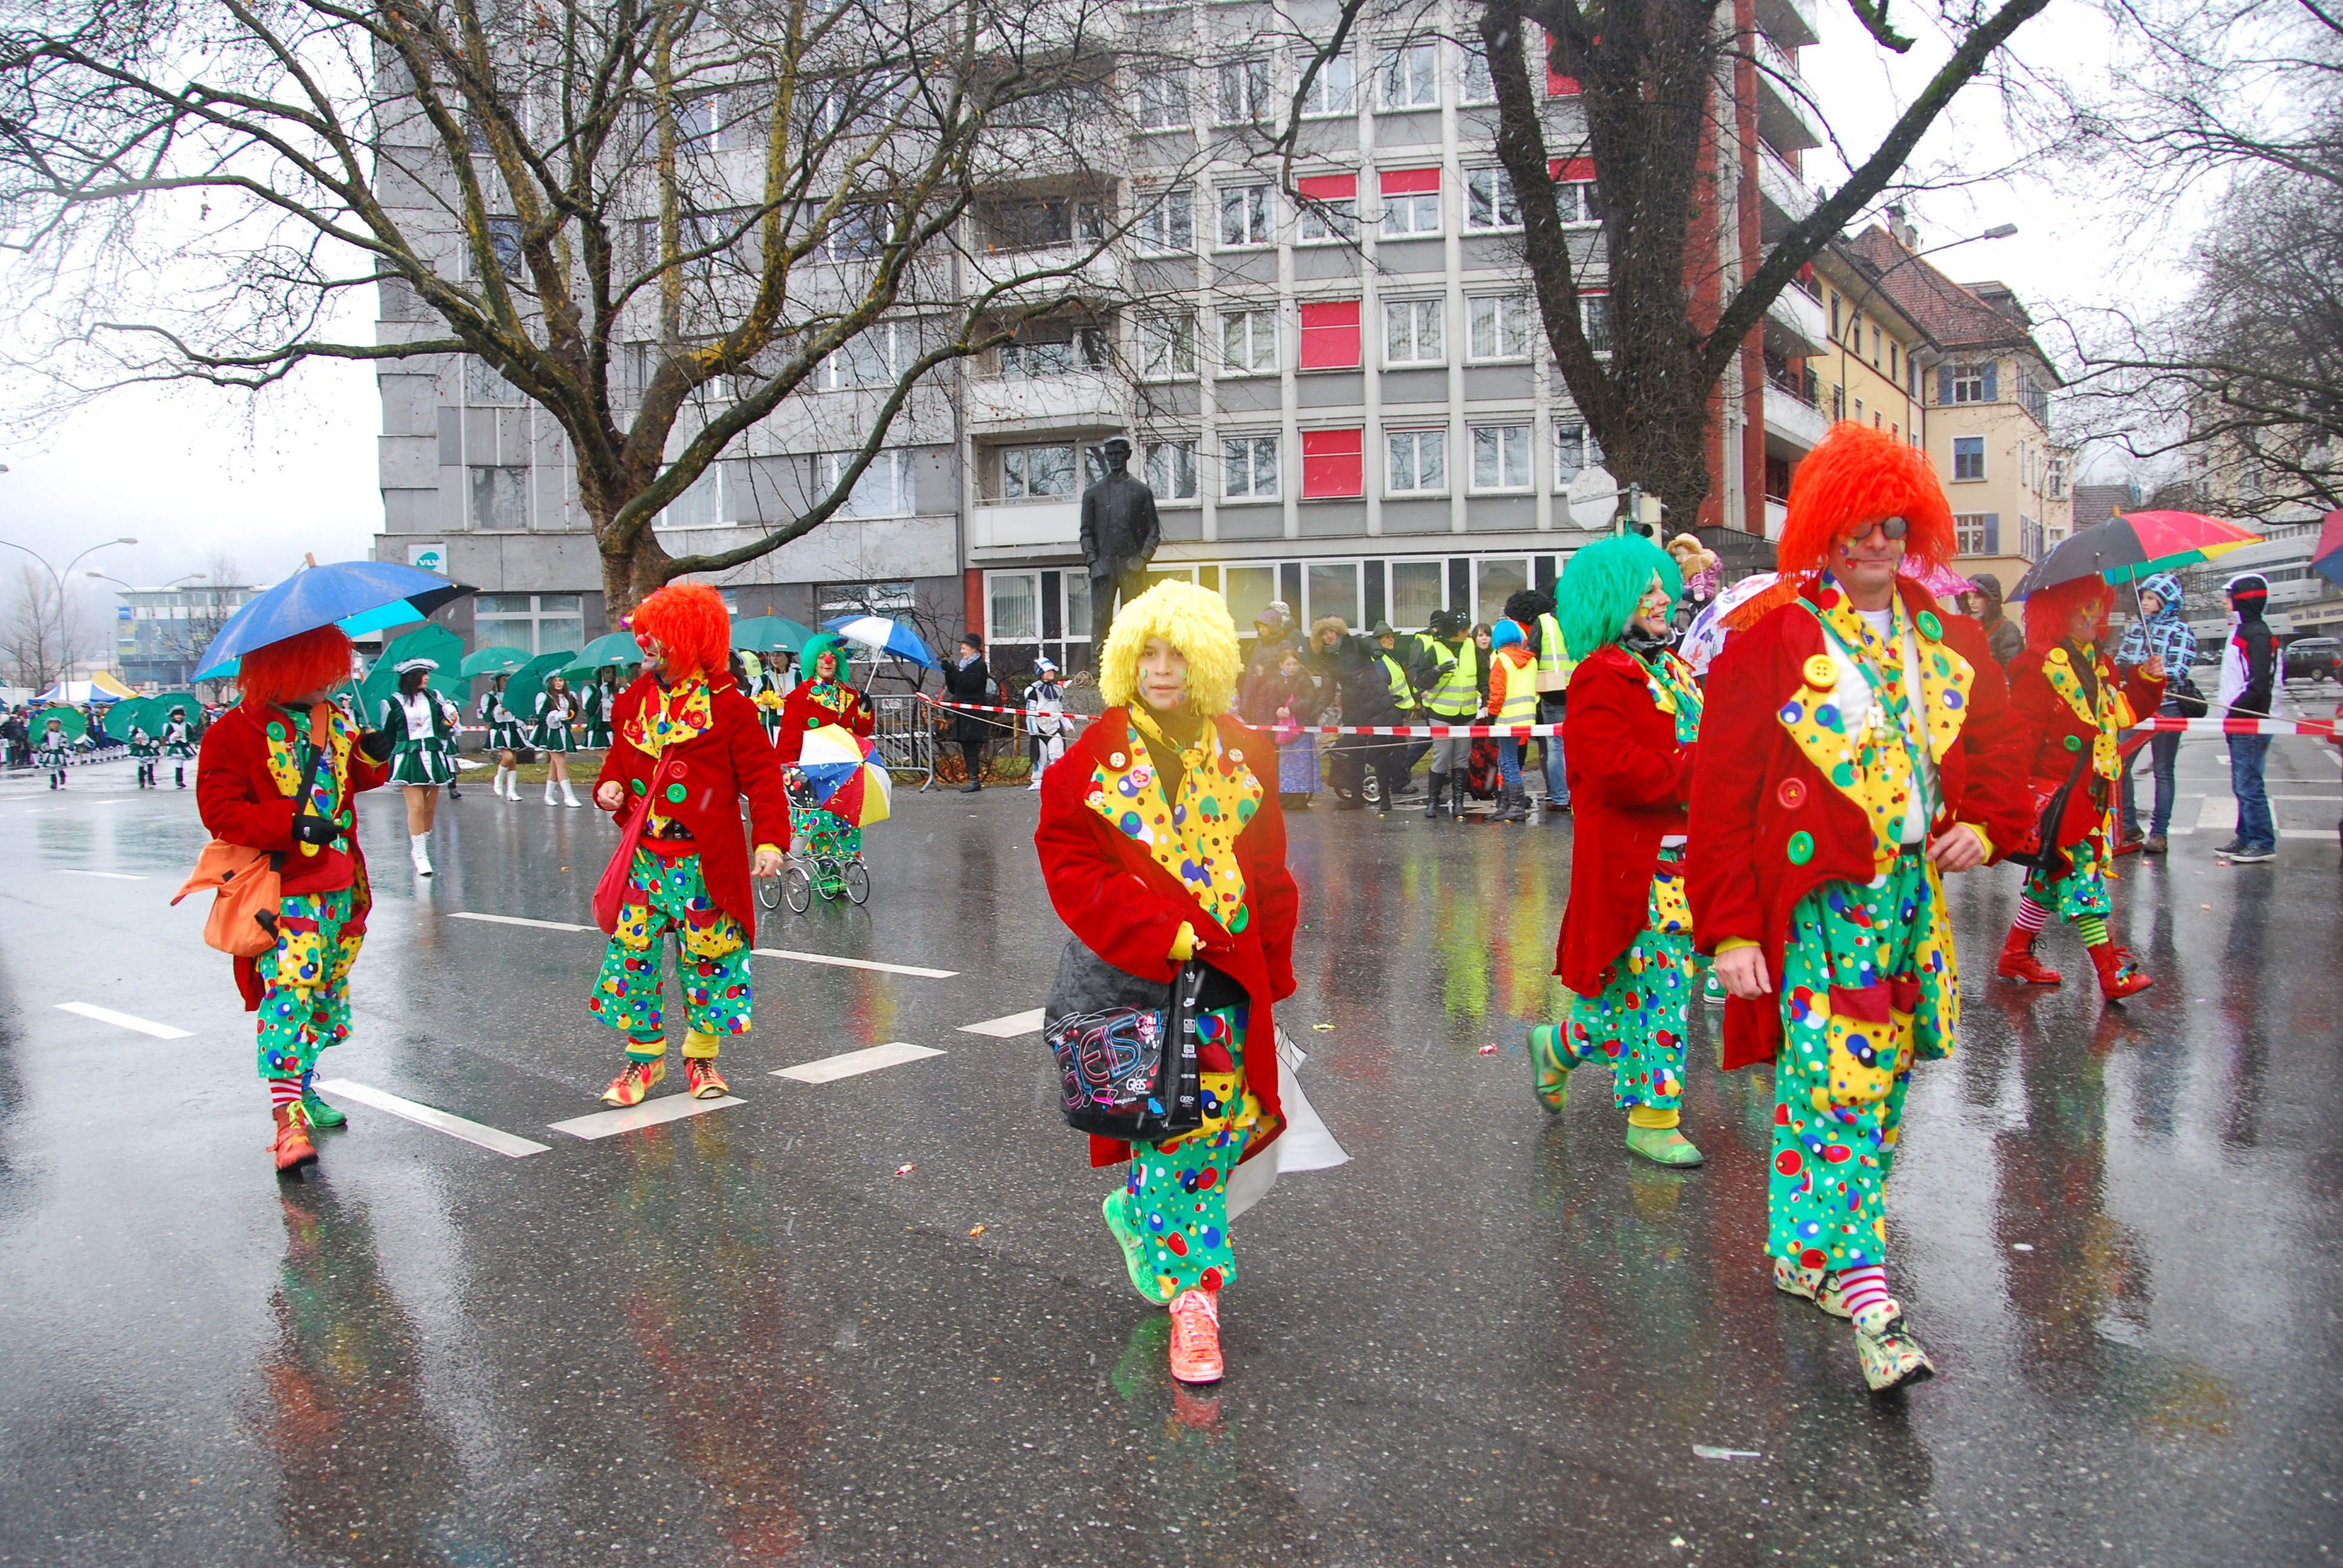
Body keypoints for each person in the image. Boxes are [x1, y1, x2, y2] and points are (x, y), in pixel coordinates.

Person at [1689, 422, 2027, 1393]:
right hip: (1818, 907)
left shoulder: (1949, 639)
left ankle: (1805, 1254)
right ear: (1824, 532)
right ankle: (1873, 1297)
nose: (1876, 542)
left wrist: (1987, 826)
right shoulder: (1773, 643)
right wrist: (1733, 929)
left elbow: (2002, 750)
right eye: (1856, 526)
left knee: (1876, 1086)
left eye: (1892, 525)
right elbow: (1721, 796)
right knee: (1844, 1087)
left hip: (1913, 903)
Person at [1034, 580, 1300, 1387]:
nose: (1160, 669)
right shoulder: (1093, 758)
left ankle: (1144, 1216)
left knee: (1214, 1132)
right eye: (1146, 653)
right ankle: (1194, 1299)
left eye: (1176, 654)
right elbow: (1068, 863)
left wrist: (1273, 971)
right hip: (1140, 982)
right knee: (1177, 1134)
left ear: (1207, 662)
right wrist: (1155, 929)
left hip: (1227, 978)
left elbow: (1268, 871)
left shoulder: (1246, 751)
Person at [1532, 535, 1708, 1161]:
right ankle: (1653, 1119)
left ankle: (1557, 1047)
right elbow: (1614, 770)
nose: (1662, 599)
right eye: (1646, 590)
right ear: (1612, 602)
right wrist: (1701, 772)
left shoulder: (1673, 669)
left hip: (1693, 861)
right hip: (1639, 864)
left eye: (1663, 586)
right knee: (1661, 989)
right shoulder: (1599, 675)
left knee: (1630, 995)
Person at [194, 624, 393, 1173]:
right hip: (285, 889)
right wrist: (291, 826)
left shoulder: (335, 718)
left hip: (341, 885)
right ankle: (287, 1123)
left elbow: (351, 782)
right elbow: (219, 812)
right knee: (290, 993)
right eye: (319, 669)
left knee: (322, 994)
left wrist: (372, 758)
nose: (332, 680)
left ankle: (303, 1090)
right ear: (284, 670)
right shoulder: (233, 732)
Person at [588, 583, 789, 1106]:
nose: (644, 643)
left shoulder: (729, 707)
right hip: (645, 858)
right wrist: (609, 788)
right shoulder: (635, 701)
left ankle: (701, 1057)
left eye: (657, 634)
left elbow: (764, 780)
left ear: (690, 640)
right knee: (633, 958)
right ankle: (644, 1058)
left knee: (709, 958)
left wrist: (769, 841)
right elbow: (618, 764)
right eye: (644, 633)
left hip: (704, 861)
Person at [1994, 577, 2164, 1001]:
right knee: (2081, 876)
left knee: (2049, 876)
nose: (2096, 615)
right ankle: (2110, 974)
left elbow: (2120, 714)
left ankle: (2015, 954)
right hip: (2061, 797)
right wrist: (2012, 794)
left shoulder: (2098, 663)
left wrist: (2147, 681)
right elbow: (2022, 736)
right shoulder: (2035, 667)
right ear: (2059, 614)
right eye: (2085, 607)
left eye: (2098, 606)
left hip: (2092, 790)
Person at [2114, 573, 2198, 854]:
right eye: (2144, 598)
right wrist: (2134, 672)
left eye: (2151, 598)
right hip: (2136, 706)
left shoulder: (2181, 631)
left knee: (2163, 770)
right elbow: (2121, 663)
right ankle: (2128, 824)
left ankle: (2160, 832)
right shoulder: (2137, 630)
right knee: (2120, 763)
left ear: (2166, 601)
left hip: (2168, 706)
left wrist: (2153, 674)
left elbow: (2179, 671)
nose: (2146, 603)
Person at [1309, 616, 1407, 812]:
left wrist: (1376, 650)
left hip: (1376, 702)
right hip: (1354, 708)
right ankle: (1356, 797)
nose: (1329, 636)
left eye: (1331, 631)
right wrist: (1319, 707)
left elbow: (1370, 643)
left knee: (1380, 753)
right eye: (1324, 634)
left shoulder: (1355, 641)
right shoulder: (1328, 659)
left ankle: (1385, 797)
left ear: (1338, 631)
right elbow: (1328, 689)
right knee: (1355, 753)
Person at [2214, 572, 2280, 864]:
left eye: (2229, 597)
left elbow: (2260, 684)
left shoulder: (2257, 634)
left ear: (2243, 599)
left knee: (2249, 784)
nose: (2224, 602)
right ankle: (2245, 836)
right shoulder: (2241, 631)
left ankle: (2262, 840)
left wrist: (2236, 710)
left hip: (2251, 721)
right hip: (2239, 721)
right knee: (2242, 784)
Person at [380, 656, 459, 875]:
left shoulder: (435, 698)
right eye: (423, 674)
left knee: (429, 808)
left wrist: (448, 722)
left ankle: (421, 847)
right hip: (409, 756)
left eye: (427, 674)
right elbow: (389, 734)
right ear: (411, 677)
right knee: (416, 807)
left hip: (433, 754)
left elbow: (440, 728)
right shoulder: (394, 702)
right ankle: (421, 854)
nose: (427, 678)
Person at [1504, 590, 1573, 817]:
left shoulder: (1544, 622)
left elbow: (1533, 653)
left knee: (1555, 746)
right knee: (1578, 744)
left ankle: (1560, 796)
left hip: (1552, 691)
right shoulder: (1582, 618)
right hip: (1580, 688)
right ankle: (1579, 795)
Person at [773, 633, 874, 765]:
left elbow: (862, 733)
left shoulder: (849, 695)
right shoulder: (801, 696)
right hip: (815, 767)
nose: (828, 661)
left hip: (847, 764)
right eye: (821, 657)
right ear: (813, 662)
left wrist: (864, 712)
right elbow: (789, 739)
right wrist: (789, 768)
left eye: (833, 657)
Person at [1418, 609, 1481, 820]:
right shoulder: (1435, 648)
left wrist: (1485, 694)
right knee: (1442, 757)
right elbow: (1421, 680)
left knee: (1462, 759)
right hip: (1442, 713)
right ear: (1453, 631)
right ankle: (1433, 801)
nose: (1468, 632)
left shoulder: (1471, 646)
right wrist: (1437, 671)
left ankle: (1459, 802)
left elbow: (1482, 674)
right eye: (1464, 629)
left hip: (1467, 712)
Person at [1484, 618, 1538, 823]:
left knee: (1508, 762)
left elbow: (1497, 693)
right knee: (1507, 760)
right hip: (1526, 718)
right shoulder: (1531, 660)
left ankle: (1515, 806)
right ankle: (1506, 804)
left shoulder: (1502, 660)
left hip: (1507, 718)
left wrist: (1491, 717)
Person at [943, 632, 993, 793]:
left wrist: (953, 671)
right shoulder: (964, 666)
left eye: (964, 648)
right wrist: (948, 673)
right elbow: (954, 688)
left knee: (971, 745)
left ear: (973, 649)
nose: (962, 651)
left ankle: (974, 780)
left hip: (973, 713)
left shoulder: (980, 666)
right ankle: (973, 778)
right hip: (963, 712)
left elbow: (969, 685)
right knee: (966, 745)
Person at [532, 672, 585, 807]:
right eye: (555, 680)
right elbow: (541, 716)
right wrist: (554, 716)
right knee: (561, 763)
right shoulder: (545, 697)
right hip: (551, 734)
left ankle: (548, 796)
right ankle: (568, 796)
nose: (558, 683)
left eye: (561, 680)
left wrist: (567, 717)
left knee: (555, 765)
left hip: (563, 732)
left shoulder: (569, 696)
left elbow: (573, 712)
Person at [1024, 656, 1069, 790]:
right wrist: (1033, 730)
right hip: (1040, 728)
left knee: (1057, 756)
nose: (1051, 673)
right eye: (1048, 670)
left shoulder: (1058, 690)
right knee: (1040, 758)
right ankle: (1037, 780)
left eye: (1052, 670)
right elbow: (1030, 712)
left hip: (1055, 727)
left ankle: (1056, 779)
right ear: (1041, 673)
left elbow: (1061, 709)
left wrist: (1067, 723)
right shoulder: (1033, 690)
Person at [1962, 572, 2024, 667]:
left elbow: (2013, 666)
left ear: (1989, 599)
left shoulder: (2007, 628)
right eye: (1969, 597)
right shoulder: (1968, 625)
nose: (1972, 602)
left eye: (1977, 597)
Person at [478, 674, 523, 800]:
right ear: (498, 681)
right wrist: (496, 710)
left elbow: (518, 711)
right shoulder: (490, 697)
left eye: (509, 681)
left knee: (513, 762)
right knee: (508, 757)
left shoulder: (512, 696)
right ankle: (498, 779)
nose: (507, 683)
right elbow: (487, 717)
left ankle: (511, 791)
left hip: (512, 729)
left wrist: (519, 719)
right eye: (504, 680)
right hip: (500, 730)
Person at [161, 703, 198, 788]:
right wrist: (173, 736)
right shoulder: (170, 725)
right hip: (176, 746)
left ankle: (179, 780)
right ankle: (179, 781)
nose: (179, 717)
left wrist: (194, 739)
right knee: (179, 762)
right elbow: (167, 736)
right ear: (173, 716)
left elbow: (190, 734)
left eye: (180, 715)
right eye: (177, 715)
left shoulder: (186, 725)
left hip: (184, 746)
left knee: (180, 763)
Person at [35, 716, 71, 789]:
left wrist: (62, 743)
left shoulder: (62, 733)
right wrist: (45, 746)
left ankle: (62, 777)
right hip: (50, 752)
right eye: (51, 724)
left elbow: (65, 743)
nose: (53, 725)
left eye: (55, 723)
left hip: (59, 752)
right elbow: (43, 741)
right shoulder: (46, 733)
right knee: (52, 768)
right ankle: (54, 782)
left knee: (59, 766)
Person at [128, 713, 160, 789]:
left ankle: (151, 780)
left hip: (148, 748)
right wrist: (137, 738)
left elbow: (155, 737)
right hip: (139, 748)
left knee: (150, 764)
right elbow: (131, 737)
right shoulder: (136, 729)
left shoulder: (151, 728)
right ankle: (141, 781)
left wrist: (154, 743)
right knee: (141, 765)